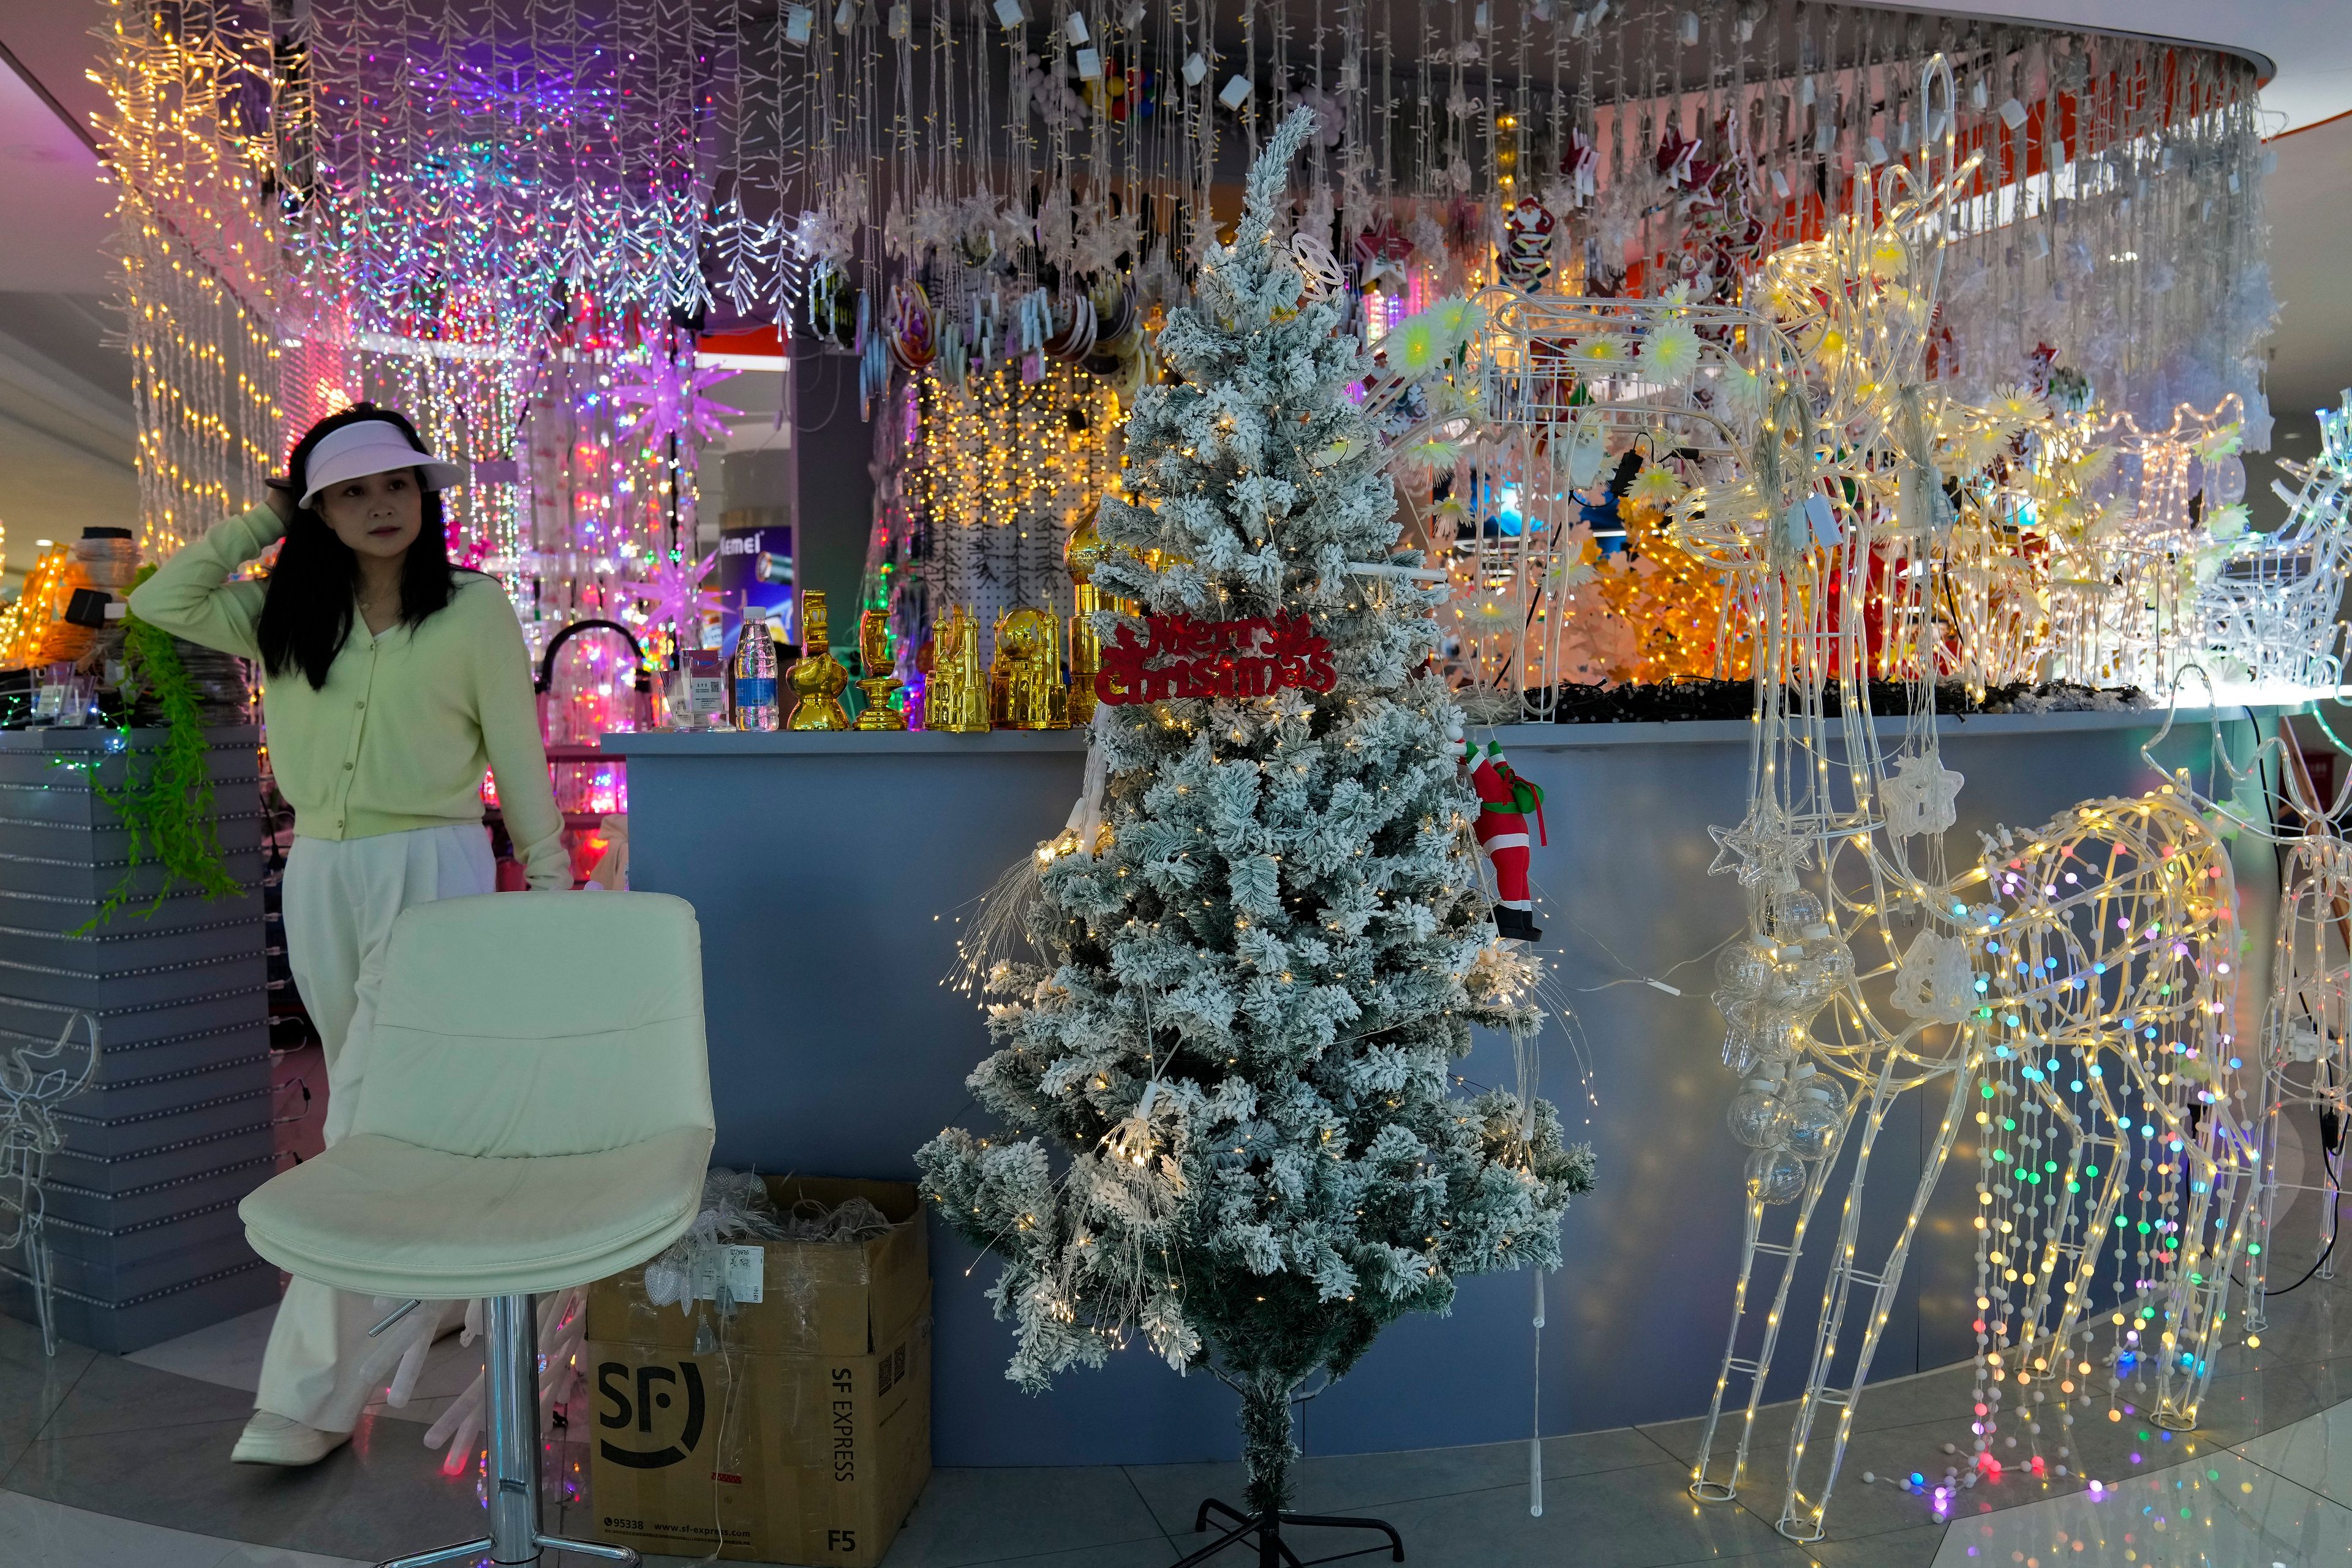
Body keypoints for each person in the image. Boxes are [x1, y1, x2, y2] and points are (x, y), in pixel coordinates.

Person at [129, 405, 571, 1466]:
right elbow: (158, 598)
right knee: (392, 1099)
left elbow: (521, 752)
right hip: (321, 873)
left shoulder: (474, 609)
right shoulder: (283, 614)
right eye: (354, 491)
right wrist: (260, 521)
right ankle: (439, 1284)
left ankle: (311, 1393)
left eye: (400, 486)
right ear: (319, 510)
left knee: (360, 1117)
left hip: (436, 869)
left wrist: (558, 900)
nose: (383, 506)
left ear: (428, 499)